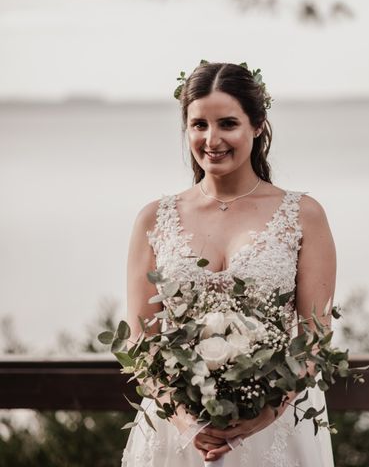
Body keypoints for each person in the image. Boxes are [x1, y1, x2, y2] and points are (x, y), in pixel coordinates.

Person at [121, 61, 336, 467]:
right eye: (199, 125)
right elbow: (138, 341)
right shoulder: (154, 218)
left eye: (227, 124)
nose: (211, 139)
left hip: (276, 427)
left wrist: (262, 417)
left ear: (257, 126)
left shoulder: (303, 215)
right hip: (177, 431)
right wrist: (186, 422)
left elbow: (315, 336)